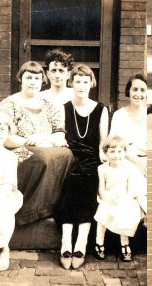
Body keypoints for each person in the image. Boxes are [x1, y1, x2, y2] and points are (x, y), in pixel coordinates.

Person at [0, 61, 74, 225]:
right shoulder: (9, 104)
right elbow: (5, 138)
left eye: (37, 78)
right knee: (42, 157)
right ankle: (30, 212)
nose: (33, 82)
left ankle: (54, 207)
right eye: (29, 77)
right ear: (21, 79)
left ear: (42, 81)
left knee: (67, 155)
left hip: (46, 146)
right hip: (18, 150)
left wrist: (46, 140)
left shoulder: (48, 103)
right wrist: (29, 141)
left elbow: (59, 132)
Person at [54, 64, 109, 269]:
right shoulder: (65, 107)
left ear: (91, 84)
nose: (81, 86)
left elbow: (103, 142)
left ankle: (81, 240)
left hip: (93, 159)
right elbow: (60, 136)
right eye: (77, 81)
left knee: (88, 178)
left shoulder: (101, 109)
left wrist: (104, 159)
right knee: (73, 178)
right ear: (72, 82)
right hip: (70, 158)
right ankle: (66, 240)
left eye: (85, 82)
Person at [94, 135, 142, 262]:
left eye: (120, 151)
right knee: (102, 214)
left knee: (124, 214)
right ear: (105, 153)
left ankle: (124, 244)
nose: (116, 155)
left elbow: (131, 189)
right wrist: (108, 199)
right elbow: (101, 189)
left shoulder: (128, 168)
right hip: (108, 197)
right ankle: (99, 242)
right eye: (112, 151)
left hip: (125, 198)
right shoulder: (102, 169)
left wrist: (122, 199)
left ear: (125, 152)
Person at [110, 74, 147, 215]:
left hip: (146, 157)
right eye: (135, 89)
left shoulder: (148, 114)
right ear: (128, 92)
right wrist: (138, 161)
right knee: (133, 175)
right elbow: (115, 143)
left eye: (142, 90)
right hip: (127, 158)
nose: (138, 94)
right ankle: (147, 211)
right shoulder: (120, 115)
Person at [0, 111, 23, 271]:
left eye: (2, 129)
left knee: (1, 206)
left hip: (5, 193)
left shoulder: (9, 157)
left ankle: (3, 247)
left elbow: (9, 183)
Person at [40, 49, 74, 119]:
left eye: (61, 71)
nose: (57, 75)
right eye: (53, 70)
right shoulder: (40, 97)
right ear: (48, 74)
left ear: (68, 74)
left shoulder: (76, 95)